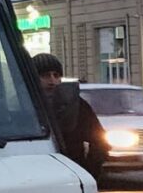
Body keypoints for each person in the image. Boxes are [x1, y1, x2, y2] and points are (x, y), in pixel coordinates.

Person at [31, 52, 105, 180]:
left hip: (72, 172)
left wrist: (89, 172)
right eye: (45, 75)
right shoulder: (22, 104)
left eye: (56, 75)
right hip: (35, 172)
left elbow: (99, 140)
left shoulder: (76, 105)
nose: (52, 80)